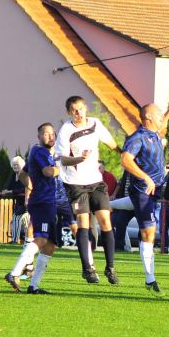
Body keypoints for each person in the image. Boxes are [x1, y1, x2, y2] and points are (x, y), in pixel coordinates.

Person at [4, 123, 86, 294]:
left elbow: (22, 174)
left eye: (52, 134)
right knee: (41, 239)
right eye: (46, 134)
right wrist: (61, 167)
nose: (51, 137)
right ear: (39, 137)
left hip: (46, 201)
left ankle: (34, 285)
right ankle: (14, 273)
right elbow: (49, 172)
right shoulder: (40, 152)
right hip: (44, 202)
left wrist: (31, 186)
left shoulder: (38, 152)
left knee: (50, 245)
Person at [55, 96, 120, 284]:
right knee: (83, 224)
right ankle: (88, 269)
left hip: (95, 182)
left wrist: (126, 155)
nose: (79, 113)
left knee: (106, 222)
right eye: (74, 110)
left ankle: (111, 268)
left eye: (81, 108)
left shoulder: (95, 124)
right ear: (69, 112)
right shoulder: (66, 129)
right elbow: (62, 159)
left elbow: (112, 144)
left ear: (86, 108)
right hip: (75, 183)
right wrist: (79, 159)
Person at [121, 99, 169, 297]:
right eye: (158, 113)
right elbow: (125, 160)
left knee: (149, 231)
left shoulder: (153, 134)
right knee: (149, 232)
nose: (160, 116)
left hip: (154, 191)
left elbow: (162, 123)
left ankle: (108, 207)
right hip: (142, 191)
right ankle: (150, 279)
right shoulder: (137, 137)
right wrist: (145, 177)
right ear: (148, 117)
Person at [4, 156, 28, 244]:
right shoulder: (14, 175)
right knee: (25, 221)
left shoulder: (25, 174)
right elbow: (10, 186)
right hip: (19, 202)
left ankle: (15, 240)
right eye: (14, 165)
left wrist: (10, 191)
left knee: (17, 218)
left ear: (22, 165)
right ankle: (28, 240)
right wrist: (6, 190)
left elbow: (24, 189)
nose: (15, 167)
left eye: (17, 165)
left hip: (27, 201)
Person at [110, 171, 135, 252]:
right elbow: (120, 183)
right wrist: (115, 194)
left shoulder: (140, 169)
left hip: (137, 202)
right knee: (120, 221)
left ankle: (143, 246)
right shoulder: (127, 171)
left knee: (143, 225)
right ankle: (119, 247)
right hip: (126, 201)